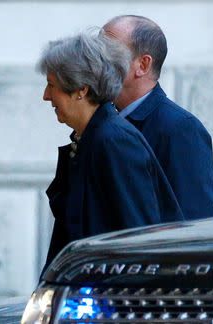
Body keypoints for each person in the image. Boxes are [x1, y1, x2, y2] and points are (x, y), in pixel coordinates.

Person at [38, 32, 184, 272]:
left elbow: (137, 240)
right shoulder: (91, 138)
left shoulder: (113, 141)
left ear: (81, 89)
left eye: (52, 85)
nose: (46, 96)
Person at [103, 15, 213, 220]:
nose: (95, 60)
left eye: (107, 51)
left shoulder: (180, 129)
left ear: (143, 65)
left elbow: (192, 225)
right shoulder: (104, 120)